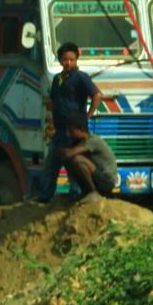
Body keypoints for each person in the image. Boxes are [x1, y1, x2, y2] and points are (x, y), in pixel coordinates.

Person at [32, 42, 102, 202]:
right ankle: (45, 197)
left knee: (73, 165)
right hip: (59, 131)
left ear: (77, 59)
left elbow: (97, 95)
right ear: (60, 60)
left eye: (71, 59)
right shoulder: (57, 79)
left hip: (74, 133)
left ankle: (76, 197)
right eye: (65, 59)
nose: (68, 63)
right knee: (51, 165)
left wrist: (88, 116)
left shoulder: (81, 77)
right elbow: (53, 102)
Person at [62, 123, 118, 198]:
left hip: (107, 181)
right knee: (70, 161)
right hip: (99, 177)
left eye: (71, 131)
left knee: (77, 160)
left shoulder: (92, 140)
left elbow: (69, 154)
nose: (69, 134)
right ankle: (80, 191)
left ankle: (93, 192)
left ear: (80, 130)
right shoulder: (81, 141)